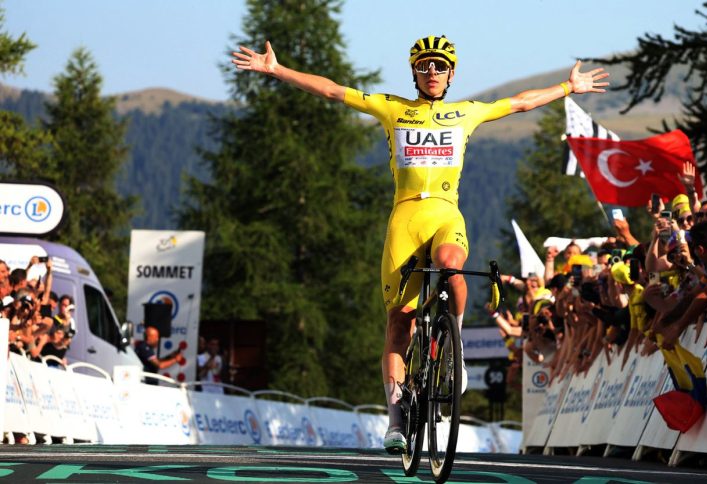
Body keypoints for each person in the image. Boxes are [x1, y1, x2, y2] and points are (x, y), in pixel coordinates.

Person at [232, 35, 609, 453]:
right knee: (399, 322)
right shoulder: (392, 108)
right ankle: (395, 419)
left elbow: (520, 102)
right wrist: (276, 70)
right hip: (404, 220)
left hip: (446, 214)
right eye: (425, 66)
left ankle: (456, 347)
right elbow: (333, 90)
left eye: (440, 67)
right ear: (414, 72)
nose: (432, 73)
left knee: (452, 266)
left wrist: (568, 88)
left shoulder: (465, 112)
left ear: (451, 74)